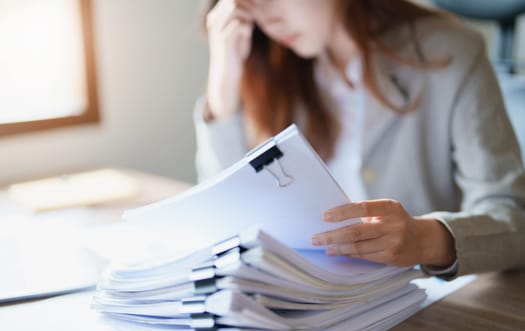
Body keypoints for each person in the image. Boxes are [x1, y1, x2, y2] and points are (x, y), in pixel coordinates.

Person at [193, 0, 525, 278]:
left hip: (421, 307)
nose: (267, 19)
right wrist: (223, 82)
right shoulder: (276, 69)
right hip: (314, 303)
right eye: (248, 4)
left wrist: (425, 239)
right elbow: (225, 212)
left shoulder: (451, 53)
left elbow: (513, 219)